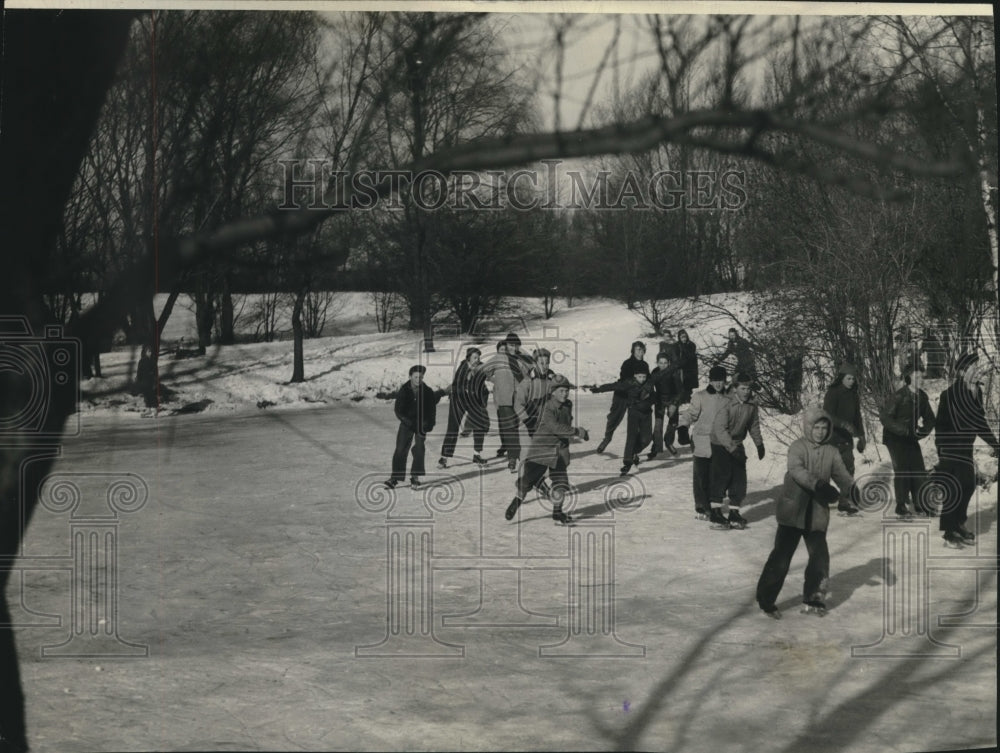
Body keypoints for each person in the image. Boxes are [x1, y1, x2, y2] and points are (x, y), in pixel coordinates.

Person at [755, 408, 856, 619]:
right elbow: (796, 470)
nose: (820, 432)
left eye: (824, 428)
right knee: (781, 558)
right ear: (808, 427)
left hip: (817, 513)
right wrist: (818, 484)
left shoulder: (832, 451)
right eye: (816, 427)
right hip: (793, 512)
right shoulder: (797, 447)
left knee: (820, 558)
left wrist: (853, 490)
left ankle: (814, 598)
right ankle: (766, 599)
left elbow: (842, 475)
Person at [933, 353, 1000, 546]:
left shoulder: (976, 393)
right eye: (972, 367)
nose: (976, 370)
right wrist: (942, 450)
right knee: (954, 489)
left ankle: (958, 523)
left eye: (976, 367)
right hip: (950, 449)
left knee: (968, 485)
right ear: (962, 371)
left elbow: (980, 422)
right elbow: (941, 425)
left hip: (965, 448)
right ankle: (948, 532)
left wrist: (995, 444)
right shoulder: (950, 394)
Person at [505, 374, 590, 525]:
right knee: (526, 483)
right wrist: (577, 431)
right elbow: (555, 428)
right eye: (561, 391)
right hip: (541, 449)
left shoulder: (568, 405)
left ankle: (557, 512)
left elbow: (564, 425)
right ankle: (517, 501)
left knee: (561, 483)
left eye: (566, 390)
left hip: (558, 450)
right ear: (553, 392)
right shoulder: (547, 408)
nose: (565, 394)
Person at [590, 359, 679, 476]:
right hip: (633, 413)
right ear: (635, 375)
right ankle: (627, 461)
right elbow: (613, 386)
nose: (642, 379)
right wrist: (598, 389)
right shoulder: (629, 383)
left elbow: (664, 372)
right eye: (639, 377)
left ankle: (634, 451)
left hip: (646, 414)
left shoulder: (650, 381)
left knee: (646, 439)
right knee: (631, 437)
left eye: (644, 376)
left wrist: (679, 363)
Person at [708, 371, 766, 529]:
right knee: (722, 475)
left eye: (748, 388)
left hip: (737, 443)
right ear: (734, 388)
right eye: (742, 388)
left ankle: (734, 512)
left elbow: (753, 425)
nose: (746, 391)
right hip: (720, 443)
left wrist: (759, 444)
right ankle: (715, 512)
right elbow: (720, 429)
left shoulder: (751, 405)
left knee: (739, 478)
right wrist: (732, 449)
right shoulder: (725, 403)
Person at [879, 365, 936, 517]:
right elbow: (885, 417)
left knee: (918, 468)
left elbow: (930, 419)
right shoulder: (899, 395)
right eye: (916, 376)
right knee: (903, 469)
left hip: (911, 437)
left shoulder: (922, 397)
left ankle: (920, 504)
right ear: (908, 377)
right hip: (894, 437)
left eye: (921, 377)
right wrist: (903, 430)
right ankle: (901, 505)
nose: (920, 380)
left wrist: (922, 432)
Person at [677, 365, 729, 519]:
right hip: (701, 441)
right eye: (715, 381)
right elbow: (690, 414)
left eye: (721, 381)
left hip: (720, 443)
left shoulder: (729, 398)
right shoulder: (700, 396)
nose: (718, 384)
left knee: (718, 476)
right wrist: (682, 427)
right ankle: (701, 506)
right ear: (710, 381)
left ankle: (713, 505)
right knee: (701, 476)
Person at [385, 365, 447, 489]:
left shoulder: (427, 391)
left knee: (419, 448)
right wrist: (406, 421)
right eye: (415, 377)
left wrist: (429, 423)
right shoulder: (404, 390)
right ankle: (395, 478)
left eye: (421, 377)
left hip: (421, 424)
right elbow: (398, 410)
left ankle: (415, 476)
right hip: (407, 423)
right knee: (400, 449)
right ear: (410, 377)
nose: (418, 379)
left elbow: (431, 410)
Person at [480, 333, 534, 472]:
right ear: (506, 345)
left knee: (524, 426)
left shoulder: (523, 360)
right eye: (510, 345)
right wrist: (495, 380)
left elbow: (530, 374)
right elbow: (483, 371)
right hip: (504, 398)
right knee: (509, 429)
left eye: (516, 345)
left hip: (520, 398)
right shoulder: (498, 358)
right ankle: (512, 458)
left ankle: (527, 456)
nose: (513, 347)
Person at [822, 363, 865, 515]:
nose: (851, 381)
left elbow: (857, 417)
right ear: (841, 378)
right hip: (830, 438)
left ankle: (843, 502)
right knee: (825, 472)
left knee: (848, 470)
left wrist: (861, 436)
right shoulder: (833, 393)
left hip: (846, 440)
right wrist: (844, 424)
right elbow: (827, 416)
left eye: (853, 378)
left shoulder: (853, 394)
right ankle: (817, 503)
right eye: (848, 378)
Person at [439, 347, 490, 468]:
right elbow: (457, 384)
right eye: (474, 357)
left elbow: (483, 385)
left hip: (474, 401)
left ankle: (477, 454)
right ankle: (444, 457)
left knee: (479, 426)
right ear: (468, 358)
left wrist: (482, 401)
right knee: (453, 428)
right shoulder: (462, 367)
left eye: (478, 357)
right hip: (459, 400)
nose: (477, 360)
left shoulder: (481, 367)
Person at [596, 341, 647, 453]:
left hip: (636, 397)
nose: (640, 352)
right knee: (614, 418)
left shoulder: (645, 365)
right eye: (637, 349)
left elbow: (647, 382)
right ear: (633, 351)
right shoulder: (627, 363)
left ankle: (634, 450)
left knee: (636, 423)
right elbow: (623, 382)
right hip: (622, 394)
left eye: (642, 349)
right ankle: (607, 438)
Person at [513, 348, 555, 438]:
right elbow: (518, 403)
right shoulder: (528, 381)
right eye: (542, 363)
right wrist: (527, 420)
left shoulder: (553, 379)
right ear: (535, 363)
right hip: (533, 419)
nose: (545, 366)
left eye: (547, 363)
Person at [649, 351, 681, 460]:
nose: (663, 365)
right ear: (657, 363)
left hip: (672, 399)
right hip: (659, 401)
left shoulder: (674, 372)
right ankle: (657, 447)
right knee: (658, 426)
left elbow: (680, 390)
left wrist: (675, 404)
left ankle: (668, 442)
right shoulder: (655, 372)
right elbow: (649, 386)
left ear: (669, 363)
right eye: (660, 363)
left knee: (673, 423)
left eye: (665, 363)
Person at [676, 328, 699, 402]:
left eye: (684, 336)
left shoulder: (691, 344)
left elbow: (690, 356)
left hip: (690, 368)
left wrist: (683, 348)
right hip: (681, 368)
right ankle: (682, 398)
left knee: (688, 384)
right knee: (681, 383)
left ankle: (687, 398)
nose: (684, 339)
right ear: (679, 338)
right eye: (682, 337)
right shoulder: (677, 345)